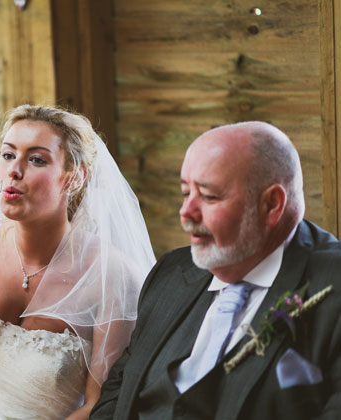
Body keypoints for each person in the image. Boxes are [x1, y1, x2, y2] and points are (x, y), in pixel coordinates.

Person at [0, 104, 156, 419]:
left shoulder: (111, 275)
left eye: (36, 159)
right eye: (8, 155)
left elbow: (98, 407)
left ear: (73, 177)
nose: (14, 171)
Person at [91, 121, 341, 419]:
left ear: (272, 204)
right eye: (185, 193)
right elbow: (116, 396)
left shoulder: (332, 285)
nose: (186, 212)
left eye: (209, 197)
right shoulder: (171, 273)